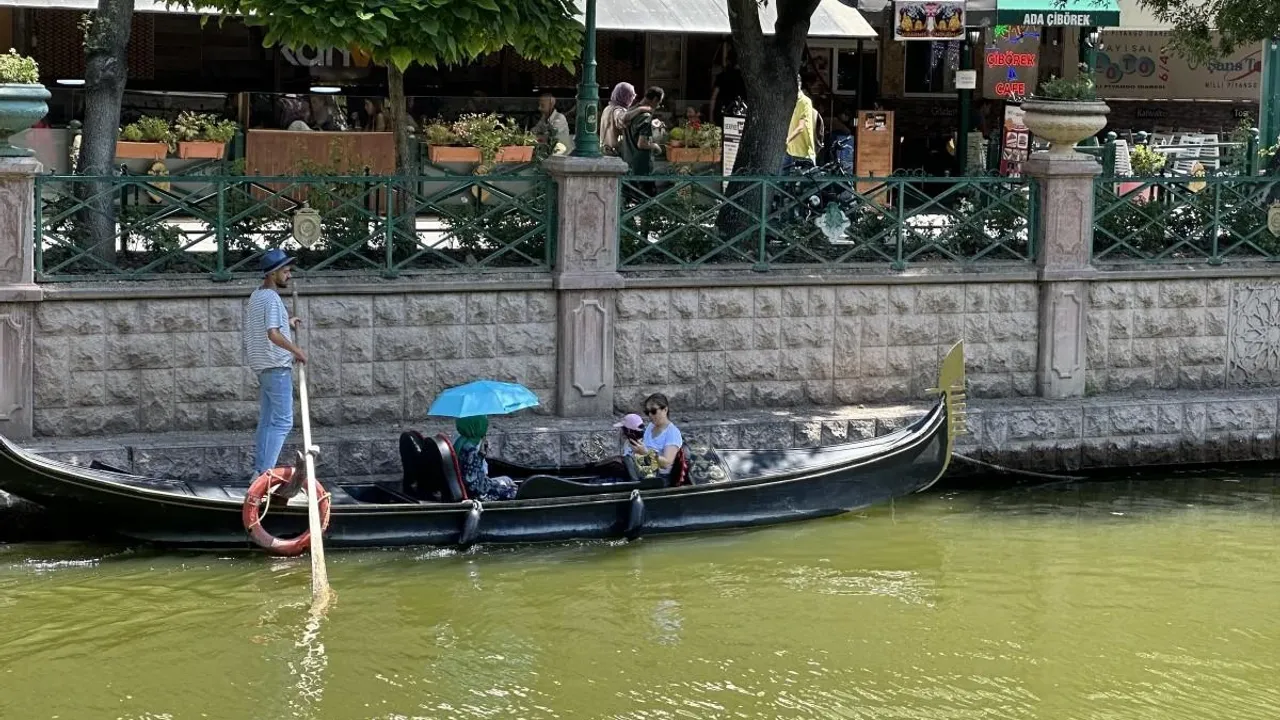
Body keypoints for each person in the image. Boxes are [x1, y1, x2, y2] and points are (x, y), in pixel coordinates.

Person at [242, 249, 305, 478]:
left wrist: (287, 321)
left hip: (262, 367)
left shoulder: (257, 295)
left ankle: (259, 471)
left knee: (268, 421)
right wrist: (298, 351)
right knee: (283, 422)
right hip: (276, 367)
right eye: (285, 271)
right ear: (272, 273)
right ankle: (264, 474)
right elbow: (272, 334)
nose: (289, 276)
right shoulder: (272, 298)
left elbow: (267, 325)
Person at [453, 416, 517, 501]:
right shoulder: (470, 450)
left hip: (474, 486)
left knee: (507, 479)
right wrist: (494, 485)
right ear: (477, 425)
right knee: (512, 489)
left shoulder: (460, 442)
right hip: (477, 493)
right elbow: (473, 485)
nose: (486, 426)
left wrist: (481, 454)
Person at [624, 393, 683, 478]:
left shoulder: (672, 433)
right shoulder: (651, 426)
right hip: (643, 469)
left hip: (659, 477)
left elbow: (667, 463)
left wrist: (646, 453)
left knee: (617, 465)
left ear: (665, 410)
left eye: (653, 411)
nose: (650, 415)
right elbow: (645, 447)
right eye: (647, 412)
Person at [621, 86, 666, 178]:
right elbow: (641, 144)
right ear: (655, 99)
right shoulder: (645, 116)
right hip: (640, 166)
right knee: (645, 191)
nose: (658, 106)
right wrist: (655, 146)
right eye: (659, 103)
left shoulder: (631, 110)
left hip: (627, 161)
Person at [784, 74, 817, 173]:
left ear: (799, 84)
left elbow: (801, 127)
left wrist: (786, 140)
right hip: (789, 151)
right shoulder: (789, 101)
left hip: (803, 154)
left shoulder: (805, 102)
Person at [599, 82, 636, 157]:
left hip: (605, 151)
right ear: (625, 96)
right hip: (615, 154)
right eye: (631, 96)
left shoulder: (608, 108)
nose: (633, 99)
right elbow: (622, 118)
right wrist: (639, 110)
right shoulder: (618, 110)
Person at [710, 52, 746, 126]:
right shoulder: (746, 79)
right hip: (740, 116)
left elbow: (713, 97)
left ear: (728, 61)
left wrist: (711, 118)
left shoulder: (722, 76)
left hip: (722, 115)